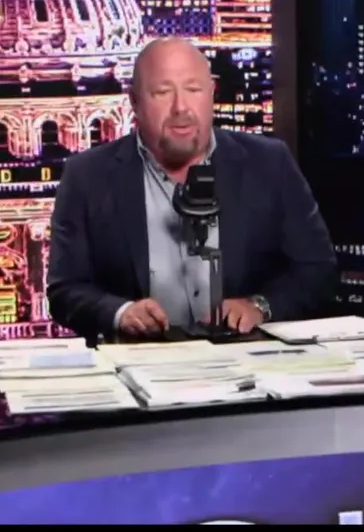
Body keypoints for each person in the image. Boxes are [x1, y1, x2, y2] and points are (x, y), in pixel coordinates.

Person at [46, 37, 337, 339]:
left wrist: (259, 306)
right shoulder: (88, 176)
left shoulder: (269, 163)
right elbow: (65, 290)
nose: (181, 107)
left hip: (244, 355)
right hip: (139, 356)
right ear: (134, 101)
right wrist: (121, 313)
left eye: (193, 90)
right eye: (162, 93)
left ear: (212, 93)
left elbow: (317, 272)